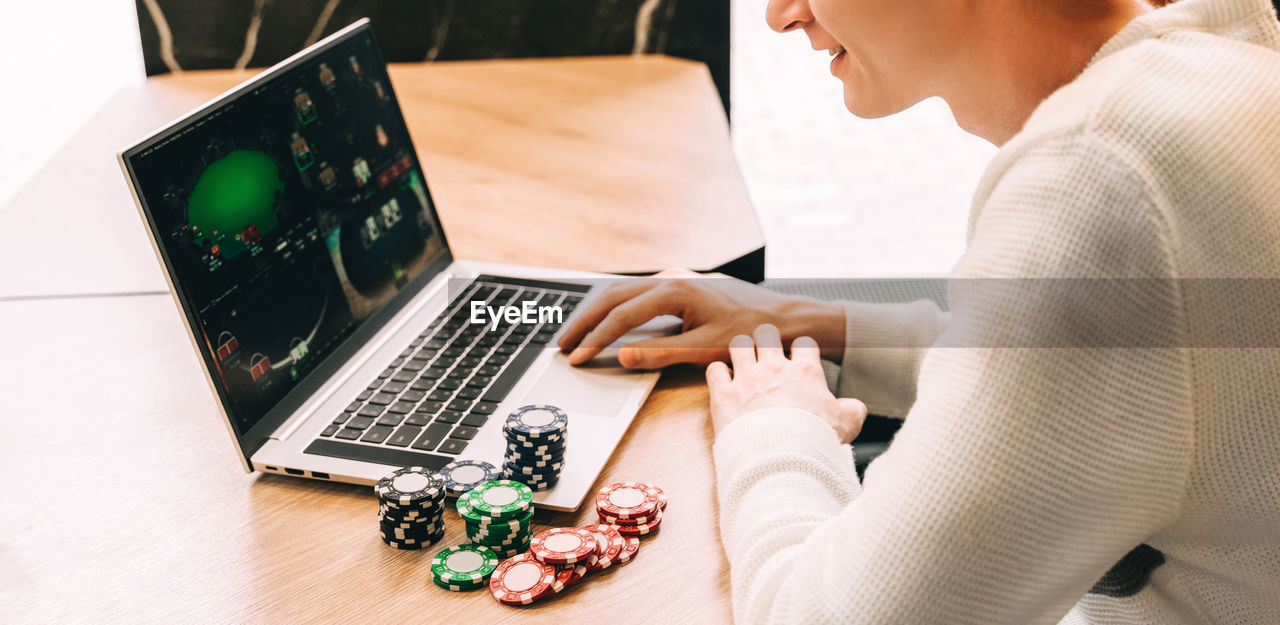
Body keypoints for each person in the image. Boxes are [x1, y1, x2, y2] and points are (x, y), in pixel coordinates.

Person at [557, 0, 1280, 622]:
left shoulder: (1101, 184)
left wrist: (775, 425)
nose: (780, 15)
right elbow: (1129, 378)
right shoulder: (1220, 65)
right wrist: (823, 327)